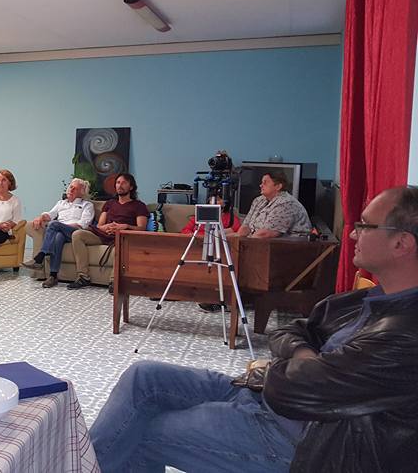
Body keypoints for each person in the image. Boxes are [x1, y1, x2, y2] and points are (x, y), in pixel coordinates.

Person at [88, 185, 418, 473]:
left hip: (299, 437)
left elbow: (296, 387)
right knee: (143, 376)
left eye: (365, 225)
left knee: (143, 431)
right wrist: (305, 358)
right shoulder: (365, 299)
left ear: (402, 243)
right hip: (262, 392)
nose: (353, 234)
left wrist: (298, 362)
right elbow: (290, 332)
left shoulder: (406, 334)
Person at [67, 173, 148, 289]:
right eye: (118, 182)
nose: (120, 185)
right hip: (103, 234)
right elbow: (100, 225)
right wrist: (107, 227)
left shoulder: (139, 205)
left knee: (121, 244)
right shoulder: (110, 203)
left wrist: (125, 226)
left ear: (131, 187)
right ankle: (83, 277)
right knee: (77, 234)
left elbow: (141, 228)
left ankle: (114, 282)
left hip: (122, 237)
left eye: (124, 183)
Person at [23, 178, 94, 288]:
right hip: (60, 231)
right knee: (58, 237)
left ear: (82, 192)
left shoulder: (87, 205)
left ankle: (41, 256)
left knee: (54, 224)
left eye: (75, 189)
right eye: (70, 187)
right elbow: (50, 214)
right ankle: (53, 276)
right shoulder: (61, 203)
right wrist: (40, 217)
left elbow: (83, 224)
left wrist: (62, 226)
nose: (71, 189)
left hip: (75, 232)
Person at [238, 171, 312, 238]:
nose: (261, 185)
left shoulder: (286, 203)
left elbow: (266, 234)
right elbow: (245, 227)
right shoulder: (258, 200)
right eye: (261, 182)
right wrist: (236, 238)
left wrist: (247, 243)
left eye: (265, 183)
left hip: (290, 245)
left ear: (278, 186)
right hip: (257, 241)